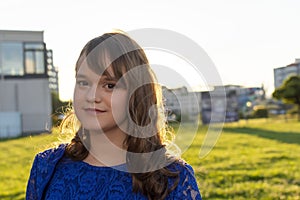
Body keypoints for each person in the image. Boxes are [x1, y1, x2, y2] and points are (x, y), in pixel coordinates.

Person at [26, 31, 202, 200]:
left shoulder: (174, 179)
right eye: (83, 83)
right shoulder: (47, 167)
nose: (91, 96)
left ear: (137, 93)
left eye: (109, 85)